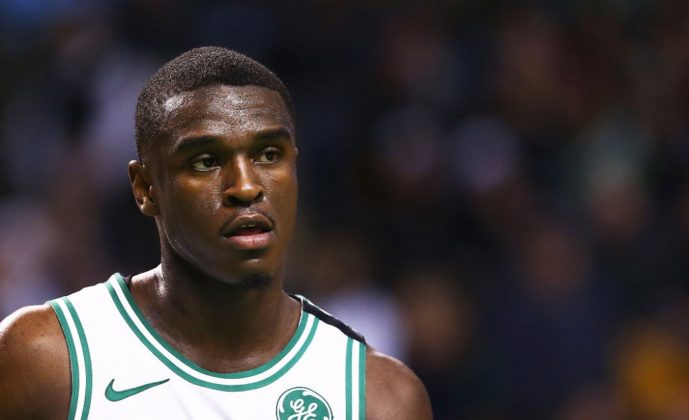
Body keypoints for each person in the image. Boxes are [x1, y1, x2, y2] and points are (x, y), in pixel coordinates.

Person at [0, 46, 432, 419]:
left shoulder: (379, 398)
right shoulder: (44, 358)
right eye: (206, 161)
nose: (246, 186)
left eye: (269, 154)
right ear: (145, 189)